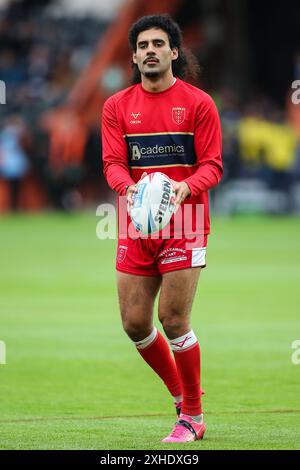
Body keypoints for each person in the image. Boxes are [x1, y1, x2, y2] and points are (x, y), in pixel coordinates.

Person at [102, 14, 222, 443]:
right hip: (137, 221)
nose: (149, 50)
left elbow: (212, 165)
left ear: (174, 52)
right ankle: (181, 397)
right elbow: (114, 163)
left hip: (185, 219)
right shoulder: (116, 106)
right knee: (135, 322)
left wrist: (182, 190)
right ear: (133, 56)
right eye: (142, 45)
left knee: (173, 319)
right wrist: (130, 192)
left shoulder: (199, 104)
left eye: (158, 43)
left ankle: (192, 416)